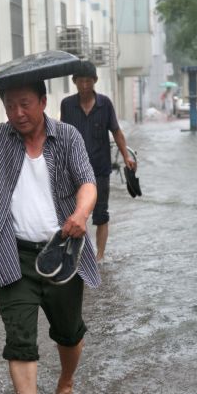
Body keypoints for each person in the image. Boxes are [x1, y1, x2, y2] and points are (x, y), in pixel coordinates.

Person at [0, 68, 101, 394]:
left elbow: (88, 182)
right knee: (19, 337)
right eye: (9, 106)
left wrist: (82, 213)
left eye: (24, 104)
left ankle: (65, 383)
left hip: (62, 254)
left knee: (69, 332)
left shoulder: (67, 137)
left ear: (43, 102)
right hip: (14, 254)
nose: (17, 113)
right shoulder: (1, 138)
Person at [60, 61, 136, 262]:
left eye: (88, 81)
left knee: (101, 212)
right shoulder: (67, 105)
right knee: (75, 213)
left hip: (100, 169)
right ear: (74, 82)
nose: (84, 85)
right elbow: (62, 137)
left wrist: (126, 156)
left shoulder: (105, 104)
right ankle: (77, 255)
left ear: (94, 81)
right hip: (74, 170)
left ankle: (99, 257)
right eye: (80, 81)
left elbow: (116, 132)